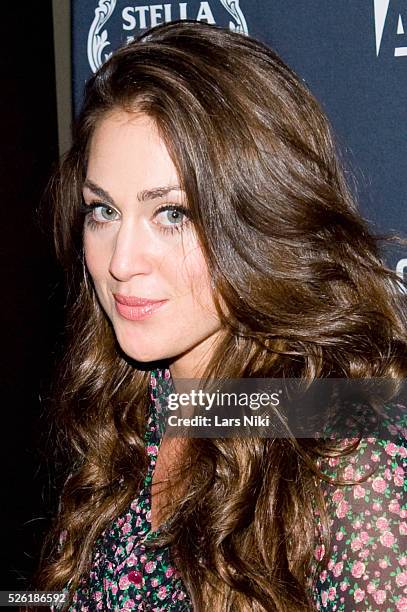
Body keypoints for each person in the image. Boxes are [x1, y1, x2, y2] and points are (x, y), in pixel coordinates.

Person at [33, 20, 407, 611]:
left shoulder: (349, 452)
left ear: (260, 216)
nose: (121, 262)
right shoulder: (138, 405)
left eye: (173, 214)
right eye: (102, 211)